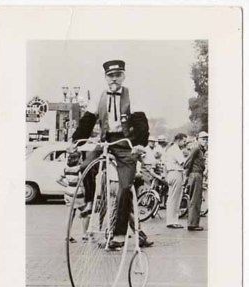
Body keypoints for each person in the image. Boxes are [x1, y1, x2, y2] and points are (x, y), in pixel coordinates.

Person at [72, 59, 153, 249]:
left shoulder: (132, 95)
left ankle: (118, 234)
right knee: (85, 167)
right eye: (111, 76)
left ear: (123, 76)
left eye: (118, 75)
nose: (114, 79)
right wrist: (75, 141)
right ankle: (91, 201)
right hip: (105, 141)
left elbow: (141, 121)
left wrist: (140, 144)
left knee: (125, 188)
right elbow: (87, 121)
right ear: (105, 78)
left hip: (125, 143)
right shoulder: (99, 97)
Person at [184, 131, 208, 231]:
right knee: (195, 199)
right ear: (198, 139)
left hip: (197, 174)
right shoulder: (196, 148)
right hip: (195, 174)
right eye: (203, 139)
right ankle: (193, 224)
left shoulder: (200, 149)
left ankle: (193, 223)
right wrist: (187, 175)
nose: (205, 141)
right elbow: (188, 162)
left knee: (197, 199)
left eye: (206, 139)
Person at [165, 133, 187, 228]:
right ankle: (173, 221)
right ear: (179, 140)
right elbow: (183, 163)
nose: (185, 143)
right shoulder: (176, 149)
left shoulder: (170, 149)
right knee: (175, 198)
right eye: (184, 141)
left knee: (171, 198)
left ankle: (171, 220)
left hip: (170, 173)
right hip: (176, 172)